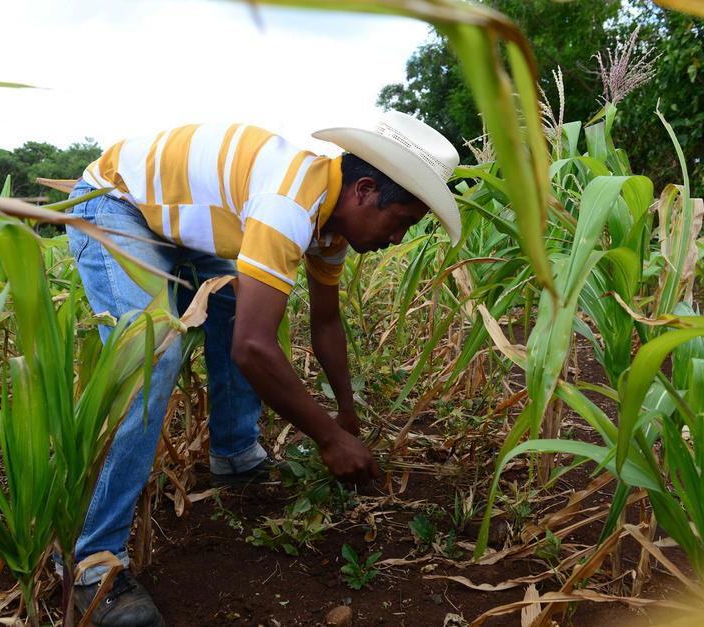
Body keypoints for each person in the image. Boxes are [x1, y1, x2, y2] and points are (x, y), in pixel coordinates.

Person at [64, 111, 461, 626]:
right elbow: (253, 349)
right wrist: (329, 440)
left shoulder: (330, 224)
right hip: (116, 204)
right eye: (401, 222)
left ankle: (234, 456)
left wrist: (345, 413)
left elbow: (326, 323)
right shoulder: (290, 200)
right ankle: (95, 563)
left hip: (184, 231)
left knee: (228, 298)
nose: (397, 239)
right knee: (151, 356)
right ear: (365, 190)